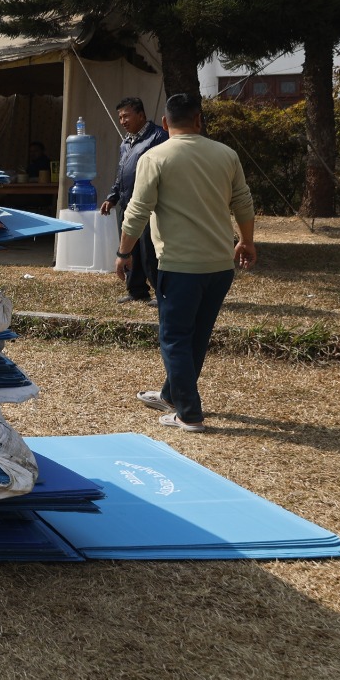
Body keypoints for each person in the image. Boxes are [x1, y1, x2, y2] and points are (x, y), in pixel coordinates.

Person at [116, 93, 256, 433]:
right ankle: (171, 394)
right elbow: (243, 201)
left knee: (175, 338)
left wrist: (124, 253)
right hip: (221, 264)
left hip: (179, 266)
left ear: (164, 123)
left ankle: (189, 414)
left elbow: (137, 211)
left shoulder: (155, 156)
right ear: (198, 121)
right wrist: (246, 241)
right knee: (197, 336)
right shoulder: (226, 154)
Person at [100, 96, 170, 304]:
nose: (123, 121)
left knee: (149, 249)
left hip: (149, 204)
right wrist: (112, 197)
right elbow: (122, 172)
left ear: (141, 115)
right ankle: (136, 289)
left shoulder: (158, 137)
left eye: (126, 116)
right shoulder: (126, 142)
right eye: (120, 117)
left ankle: (161, 291)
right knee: (130, 248)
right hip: (126, 201)